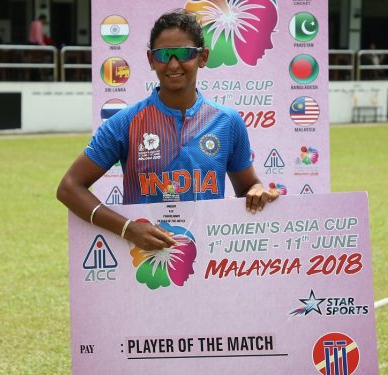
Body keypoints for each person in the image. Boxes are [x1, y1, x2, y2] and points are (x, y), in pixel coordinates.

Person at [57, 10, 279, 251]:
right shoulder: (125, 122)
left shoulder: (227, 121)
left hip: (209, 261)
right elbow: (69, 187)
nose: (173, 64)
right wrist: (128, 228)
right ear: (151, 60)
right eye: (163, 55)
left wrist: (257, 191)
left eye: (184, 53)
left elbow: (248, 187)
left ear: (202, 57)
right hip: (142, 261)